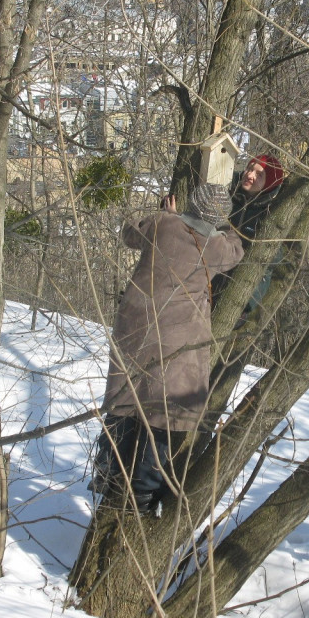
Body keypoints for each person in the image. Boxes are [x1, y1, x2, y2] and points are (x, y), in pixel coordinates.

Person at [92, 184, 244, 516]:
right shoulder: (218, 248)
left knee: (125, 400)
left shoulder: (164, 225)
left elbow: (130, 233)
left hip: (135, 327)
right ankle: (143, 496)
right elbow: (237, 251)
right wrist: (222, 225)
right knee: (162, 416)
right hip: (178, 340)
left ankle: (107, 471)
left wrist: (167, 214)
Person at [212, 153, 285, 311]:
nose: (250, 175)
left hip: (235, 299)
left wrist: (248, 303)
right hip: (205, 286)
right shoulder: (226, 195)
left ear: (269, 183)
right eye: (250, 169)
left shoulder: (270, 214)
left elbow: (270, 262)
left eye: (259, 175)